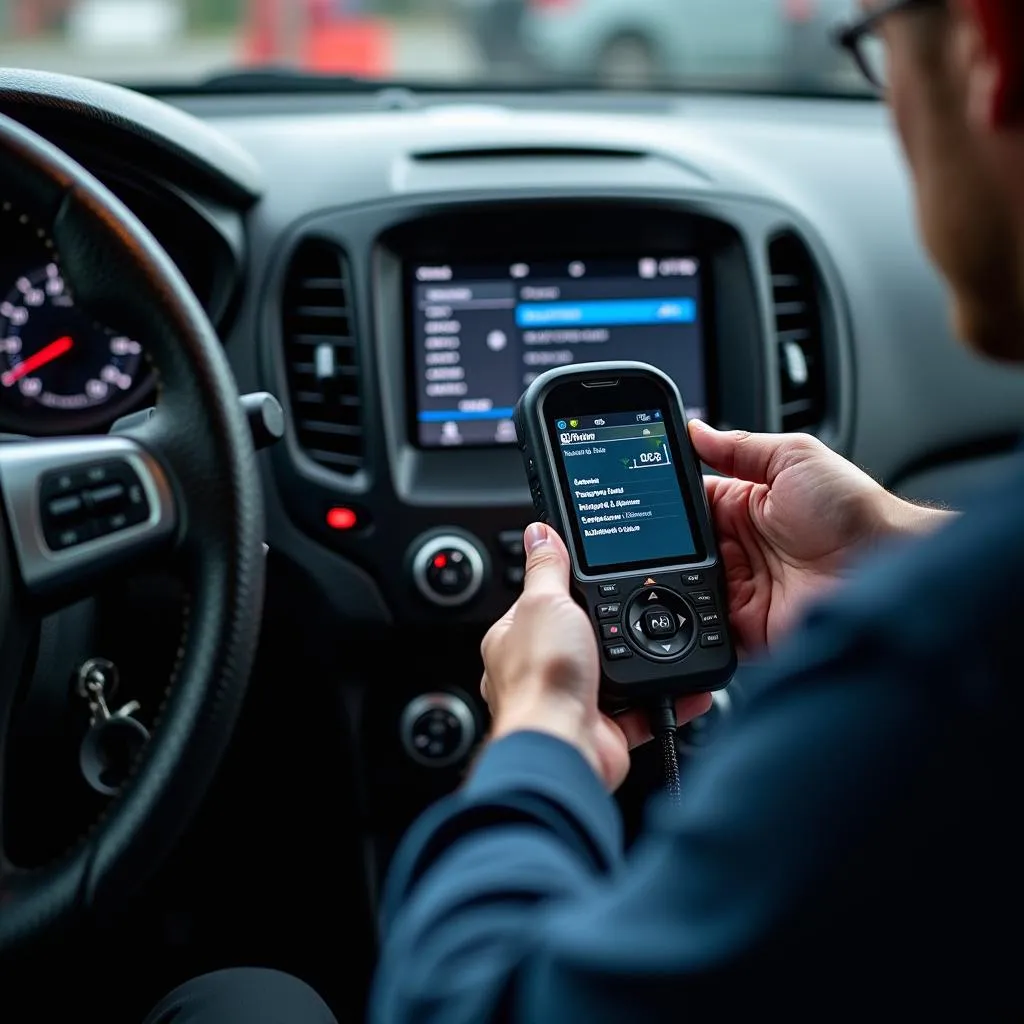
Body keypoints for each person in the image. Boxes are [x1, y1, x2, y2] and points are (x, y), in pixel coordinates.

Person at [145, 0, 1023, 1019]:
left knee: (239, 997)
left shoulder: (945, 664)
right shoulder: (958, 624)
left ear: (986, 48)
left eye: (873, 48)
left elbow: (474, 1002)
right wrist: (894, 555)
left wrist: (540, 731)